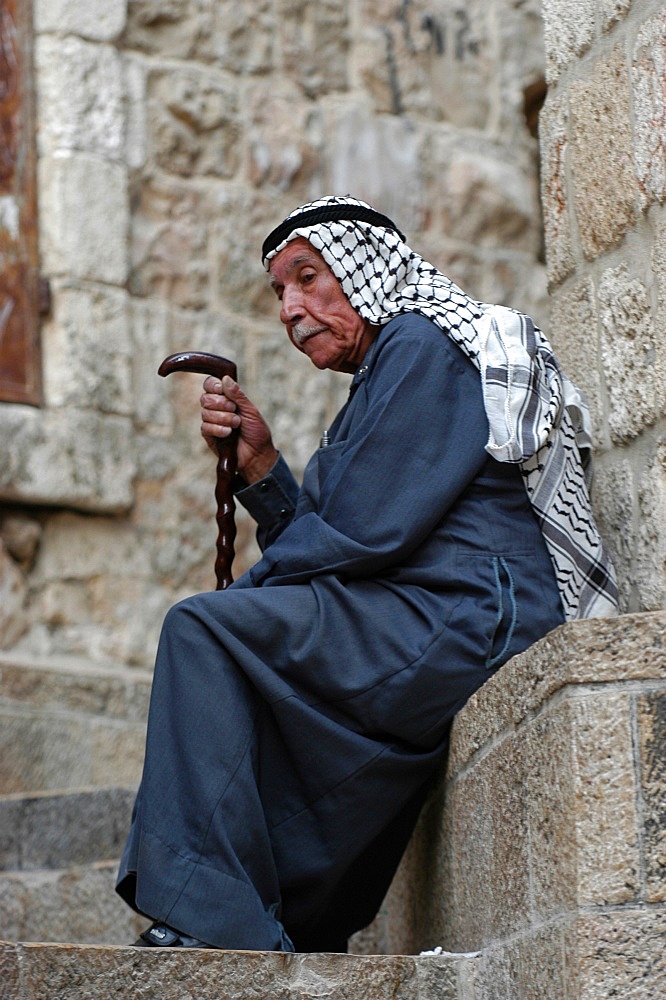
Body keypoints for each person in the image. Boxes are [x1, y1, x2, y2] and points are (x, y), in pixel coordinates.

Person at [116, 195, 618, 952]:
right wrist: (262, 470)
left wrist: (243, 604)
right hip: (432, 613)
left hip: (471, 613)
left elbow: (358, 534)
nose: (291, 308)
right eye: (279, 291)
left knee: (203, 632)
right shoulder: (387, 372)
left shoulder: (422, 345)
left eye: (307, 278)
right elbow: (348, 540)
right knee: (252, 664)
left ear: (363, 272)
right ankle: (280, 918)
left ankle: (217, 921)